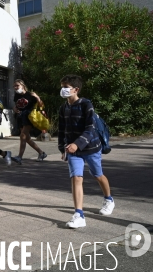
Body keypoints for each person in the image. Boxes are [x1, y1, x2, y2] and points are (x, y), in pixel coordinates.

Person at [58, 74, 114, 229]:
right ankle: (79, 215)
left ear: (76, 89)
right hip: (73, 150)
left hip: (91, 148)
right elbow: (62, 130)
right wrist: (63, 148)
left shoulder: (85, 104)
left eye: (66, 87)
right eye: (62, 87)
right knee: (76, 178)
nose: (63, 90)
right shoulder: (63, 108)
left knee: (98, 175)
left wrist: (77, 144)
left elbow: (90, 128)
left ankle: (108, 199)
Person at [11, 79, 47, 164]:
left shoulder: (30, 95)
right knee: (27, 138)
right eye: (14, 86)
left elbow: (41, 105)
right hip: (20, 117)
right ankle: (41, 153)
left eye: (17, 86)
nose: (15, 88)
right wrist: (14, 109)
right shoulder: (16, 96)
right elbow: (16, 105)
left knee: (22, 135)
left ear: (22, 85)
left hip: (29, 117)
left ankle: (19, 157)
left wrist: (38, 97)